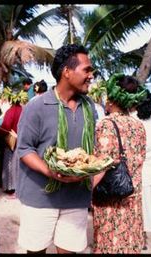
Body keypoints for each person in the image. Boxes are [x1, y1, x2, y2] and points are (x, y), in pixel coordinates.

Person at [16, 44, 97, 254]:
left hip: (76, 198)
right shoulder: (37, 106)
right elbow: (24, 149)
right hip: (40, 197)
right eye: (87, 70)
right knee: (36, 250)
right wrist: (51, 172)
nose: (91, 75)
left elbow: (93, 151)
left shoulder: (90, 108)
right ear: (67, 72)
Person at [92, 74, 147, 253]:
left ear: (112, 98)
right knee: (129, 245)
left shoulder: (105, 125)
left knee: (110, 245)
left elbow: (102, 164)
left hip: (111, 200)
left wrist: (85, 190)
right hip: (132, 197)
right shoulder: (139, 126)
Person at [131, 90, 151, 249]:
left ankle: (137, 238)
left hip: (139, 167)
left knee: (137, 203)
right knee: (148, 203)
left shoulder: (134, 120)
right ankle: (143, 236)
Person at [0, 89, 25, 198]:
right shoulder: (24, 109)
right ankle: (20, 188)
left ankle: (12, 188)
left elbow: (5, 127)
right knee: (20, 166)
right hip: (23, 141)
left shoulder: (11, 111)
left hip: (12, 143)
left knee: (10, 165)